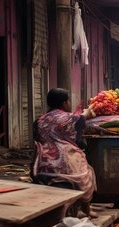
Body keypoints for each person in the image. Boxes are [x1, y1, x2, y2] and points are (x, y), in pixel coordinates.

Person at [32, 88, 97, 216]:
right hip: (65, 162)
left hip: (42, 161)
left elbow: (38, 138)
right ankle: (87, 209)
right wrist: (88, 112)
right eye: (68, 101)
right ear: (64, 103)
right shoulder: (71, 118)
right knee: (87, 170)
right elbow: (78, 136)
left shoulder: (39, 120)